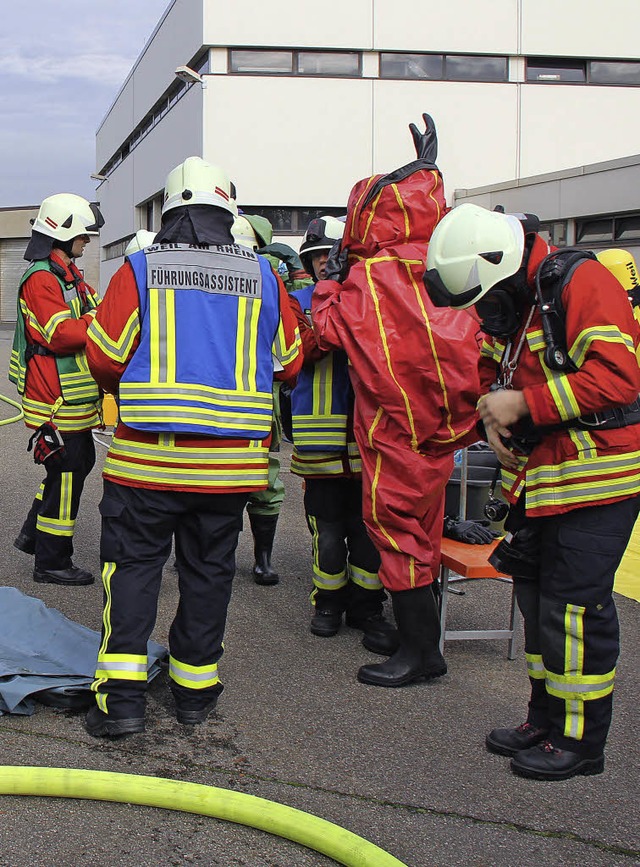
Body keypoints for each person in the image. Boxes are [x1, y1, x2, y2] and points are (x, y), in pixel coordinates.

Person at [84, 156, 302, 737]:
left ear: (170, 210)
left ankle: (121, 706)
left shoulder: (139, 269)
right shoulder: (263, 275)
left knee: (132, 572)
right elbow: (290, 362)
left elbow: (104, 356)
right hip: (228, 473)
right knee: (209, 576)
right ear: (228, 213)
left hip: (147, 466)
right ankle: (194, 696)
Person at [423, 202, 640, 780]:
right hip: (543, 482)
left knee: (573, 610)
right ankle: (544, 718)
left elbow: (618, 377)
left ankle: (580, 741)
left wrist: (525, 404)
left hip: (598, 480)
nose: (485, 313)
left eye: (487, 299)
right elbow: (494, 377)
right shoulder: (519, 304)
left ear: (505, 266)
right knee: (539, 605)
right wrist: (490, 418)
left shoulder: (580, 282)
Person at [312, 115, 481, 686]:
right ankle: (422, 641)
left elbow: (331, 331)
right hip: (450, 426)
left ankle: (419, 653)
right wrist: (430, 166)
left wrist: (331, 279)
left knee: (397, 528)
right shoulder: (447, 260)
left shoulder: (372, 275)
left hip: (394, 425)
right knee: (426, 529)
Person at [289, 216, 398, 656]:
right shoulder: (298, 302)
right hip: (321, 442)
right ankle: (328, 602)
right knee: (328, 533)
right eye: (316, 258)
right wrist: (329, 304)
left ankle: (368, 607)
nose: (323, 265)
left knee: (369, 530)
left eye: (330, 257)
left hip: (371, 440)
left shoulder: (372, 300)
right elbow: (306, 349)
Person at [9, 194, 104, 586]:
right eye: (82, 236)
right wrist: (99, 321)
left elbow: (92, 309)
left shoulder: (68, 275)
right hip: (54, 400)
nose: (86, 243)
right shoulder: (42, 279)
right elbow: (61, 334)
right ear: (63, 236)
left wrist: (99, 314)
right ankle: (51, 561)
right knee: (66, 474)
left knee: (74, 466)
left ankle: (33, 534)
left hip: (71, 399)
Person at [232, 213, 312, 584]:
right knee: (221, 486)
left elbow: (294, 333)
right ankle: (214, 555)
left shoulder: (270, 284)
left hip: (258, 404)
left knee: (265, 482)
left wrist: (297, 281)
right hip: (244, 402)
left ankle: (261, 558)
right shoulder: (264, 280)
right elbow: (290, 357)